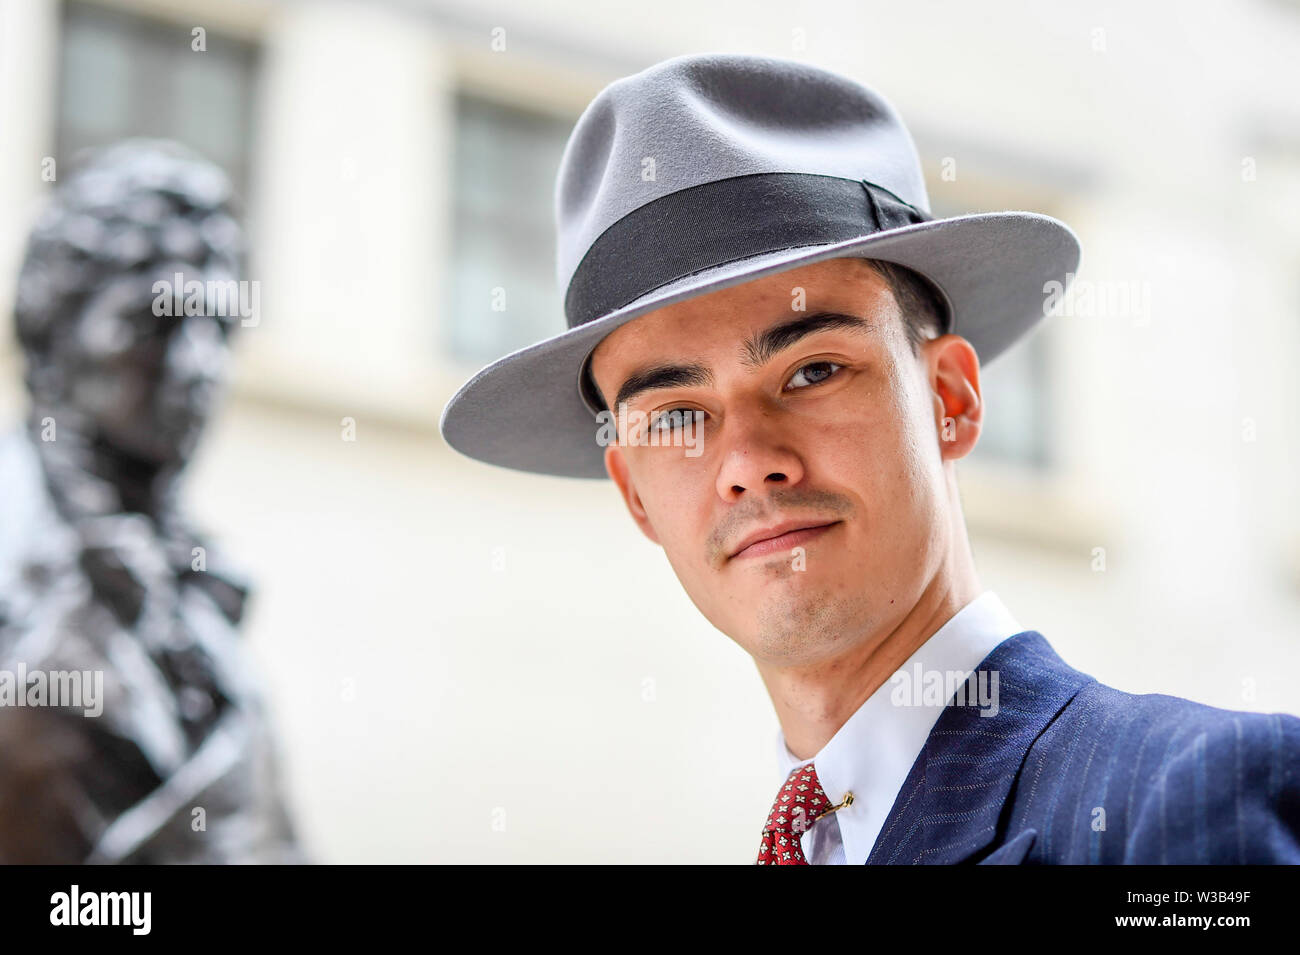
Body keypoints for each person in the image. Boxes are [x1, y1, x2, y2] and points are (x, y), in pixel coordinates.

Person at [440, 53, 1300, 864]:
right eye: (676, 416)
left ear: (950, 399)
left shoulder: (1186, 810)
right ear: (632, 492)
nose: (746, 461)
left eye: (812, 370)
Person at [0, 139, 305, 863]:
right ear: (54, 327)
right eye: (157, 323)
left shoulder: (203, 602)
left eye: (219, 329)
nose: (198, 366)